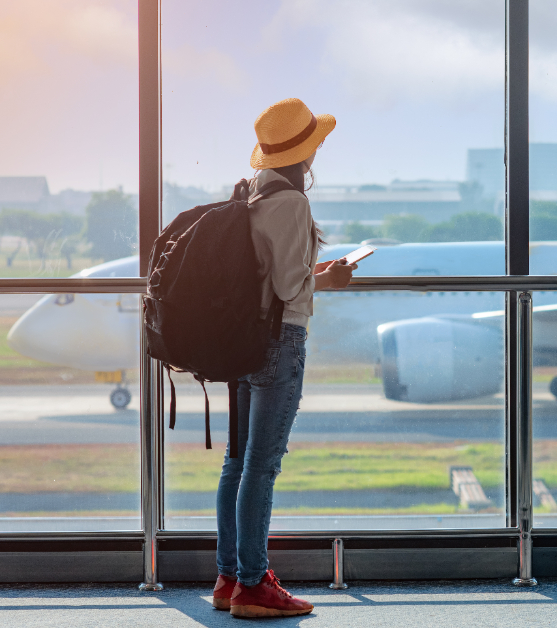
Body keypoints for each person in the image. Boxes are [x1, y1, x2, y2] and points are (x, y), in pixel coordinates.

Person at [210, 98, 355, 618]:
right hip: (280, 342)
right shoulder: (292, 203)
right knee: (262, 466)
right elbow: (291, 288)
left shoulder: (249, 195)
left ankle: (229, 577)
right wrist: (331, 280)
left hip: (242, 343)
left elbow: (265, 281)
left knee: (236, 463)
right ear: (305, 154)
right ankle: (254, 586)